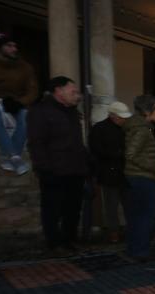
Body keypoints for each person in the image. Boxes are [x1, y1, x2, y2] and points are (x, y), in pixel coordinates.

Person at [27, 76, 91, 251]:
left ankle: (69, 241)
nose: (76, 95)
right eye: (73, 91)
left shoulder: (72, 113)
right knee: (52, 210)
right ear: (59, 91)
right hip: (54, 171)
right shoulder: (40, 112)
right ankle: (54, 244)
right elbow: (36, 143)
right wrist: (44, 169)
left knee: (73, 209)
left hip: (75, 171)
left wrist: (86, 166)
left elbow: (77, 143)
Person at [0, 32, 37, 175]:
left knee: (26, 117)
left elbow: (33, 90)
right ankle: (14, 157)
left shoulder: (24, 67)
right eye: (9, 46)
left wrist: (20, 102)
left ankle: (10, 157)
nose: (14, 49)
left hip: (15, 101)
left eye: (15, 46)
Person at [123, 95, 155, 260]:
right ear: (147, 111)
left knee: (137, 215)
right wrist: (153, 168)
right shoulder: (142, 128)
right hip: (142, 178)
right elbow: (131, 154)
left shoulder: (141, 126)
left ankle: (135, 249)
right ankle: (140, 251)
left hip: (137, 177)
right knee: (146, 215)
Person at [88, 101, 130, 243]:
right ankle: (114, 232)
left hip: (126, 172)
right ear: (113, 116)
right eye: (121, 117)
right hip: (109, 173)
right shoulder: (99, 129)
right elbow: (96, 151)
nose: (123, 120)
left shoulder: (126, 128)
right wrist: (117, 154)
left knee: (129, 204)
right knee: (111, 205)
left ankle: (130, 230)